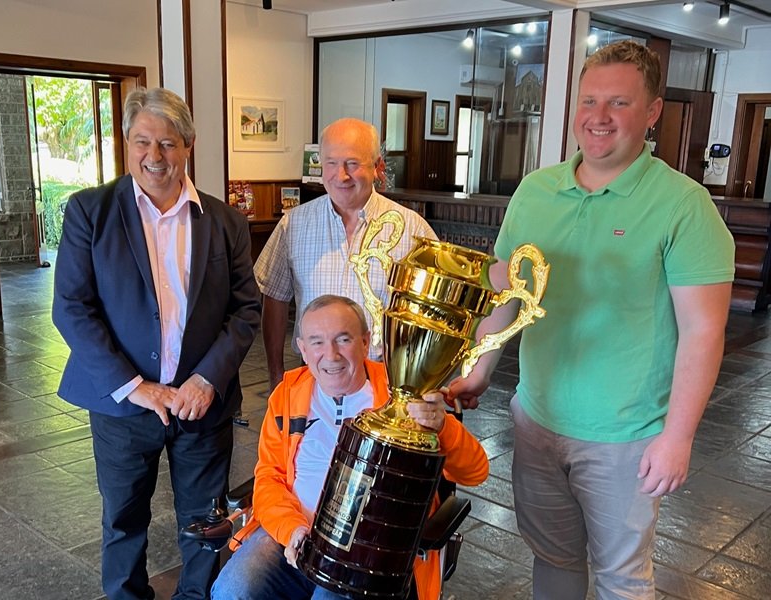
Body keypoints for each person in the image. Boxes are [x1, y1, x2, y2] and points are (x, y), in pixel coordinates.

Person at [448, 40, 735, 599]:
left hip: (624, 435)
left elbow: (704, 331)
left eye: (619, 104)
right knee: (552, 558)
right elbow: (508, 295)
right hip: (536, 418)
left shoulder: (683, 204)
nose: (598, 118)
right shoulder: (536, 191)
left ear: (652, 112)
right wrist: (479, 373)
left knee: (621, 579)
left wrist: (677, 437)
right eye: (589, 101)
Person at [52, 87, 261, 600]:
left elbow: (245, 309)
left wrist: (207, 379)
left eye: (167, 143)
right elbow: (72, 309)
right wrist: (136, 387)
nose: (154, 156)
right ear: (127, 143)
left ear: (188, 145)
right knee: (123, 521)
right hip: (124, 405)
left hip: (200, 404)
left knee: (207, 524)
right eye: (142, 142)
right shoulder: (89, 212)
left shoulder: (226, 221)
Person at [210, 295, 489, 600]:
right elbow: (269, 478)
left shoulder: (405, 395)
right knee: (232, 591)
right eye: (316, 342)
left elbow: (476, 472)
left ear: (366, 342)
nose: (330, 355)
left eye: (342, 339)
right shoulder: (288, 394)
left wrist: (443, 428)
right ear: (303, 349)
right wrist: (292, 529)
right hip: (294, 532)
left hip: (368, 549)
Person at [254, 118, 436, 392]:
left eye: (352, 163)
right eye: (331, 163)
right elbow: (275, 298)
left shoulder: (412, 230)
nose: (341, 175)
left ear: (377, 167)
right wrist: (276, 378)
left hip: (386, 386)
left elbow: (434, 317)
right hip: (314, 382)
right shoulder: (295, 224)